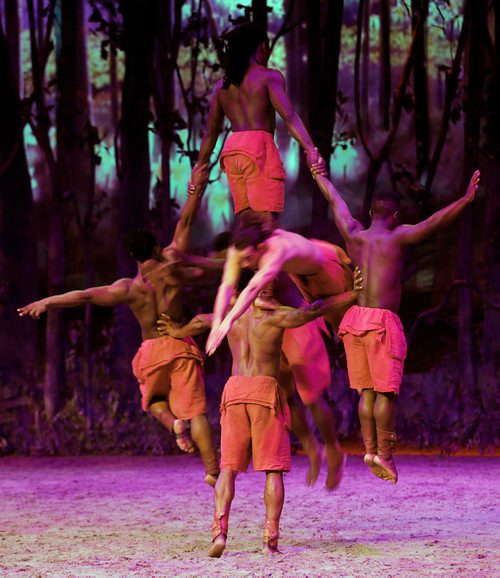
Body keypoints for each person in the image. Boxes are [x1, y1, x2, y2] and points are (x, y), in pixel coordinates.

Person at [18, 165, 220, 486]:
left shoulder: (128, 287)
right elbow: (187, 221)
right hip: (179, 343)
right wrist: (195, 186)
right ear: (155, 248)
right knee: (196, 410)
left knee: (153, 401)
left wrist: (47, 301)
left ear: (132, 256)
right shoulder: (171, 262)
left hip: (152, 349)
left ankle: (172, 425)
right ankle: (212, 470)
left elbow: (84, 296)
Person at [157, 285, 360, 557]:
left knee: (228, 470)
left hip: (235, 390)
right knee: (272, 471)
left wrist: (177, 332)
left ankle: (219, 533)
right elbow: (315, 310)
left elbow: (200, 321)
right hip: (264, 392)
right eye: (265, 289)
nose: (269, 293)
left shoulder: (230, 317)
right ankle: (269, 541)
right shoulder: (276, 317)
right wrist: (351, 295)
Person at [310, 167, 481, 483]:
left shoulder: (353, 234)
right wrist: (466, 199)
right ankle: (385, 455)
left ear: (373, 211)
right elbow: (434, 223)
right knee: (385, 394)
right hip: (381, 322)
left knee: (367, 393)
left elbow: (337, 204)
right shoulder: (398, 236)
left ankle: (370, 448)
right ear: (395, 214)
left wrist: (320, 177)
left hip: (355, 320)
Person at [190, 21, 326, 223]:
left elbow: (211, 133)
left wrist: (198, 168)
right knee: (265, 223)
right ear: (262, 46)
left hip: (233, 151)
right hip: (258, 148)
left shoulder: (223, 86)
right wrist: (311, 150)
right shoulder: (268, 77)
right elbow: (289, 117)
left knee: (249, 224)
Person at [205, 218, 354, 356]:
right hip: (302, 271)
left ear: (261, 247)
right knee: (334, 322)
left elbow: (252, 288)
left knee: (346, 320)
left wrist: (228, 320)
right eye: (241, 260)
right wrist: (217, 321)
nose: (243, 265)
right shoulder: (237, 248)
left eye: (248, 259)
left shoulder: (276, 250)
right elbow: (226, 285)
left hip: (323, 268)